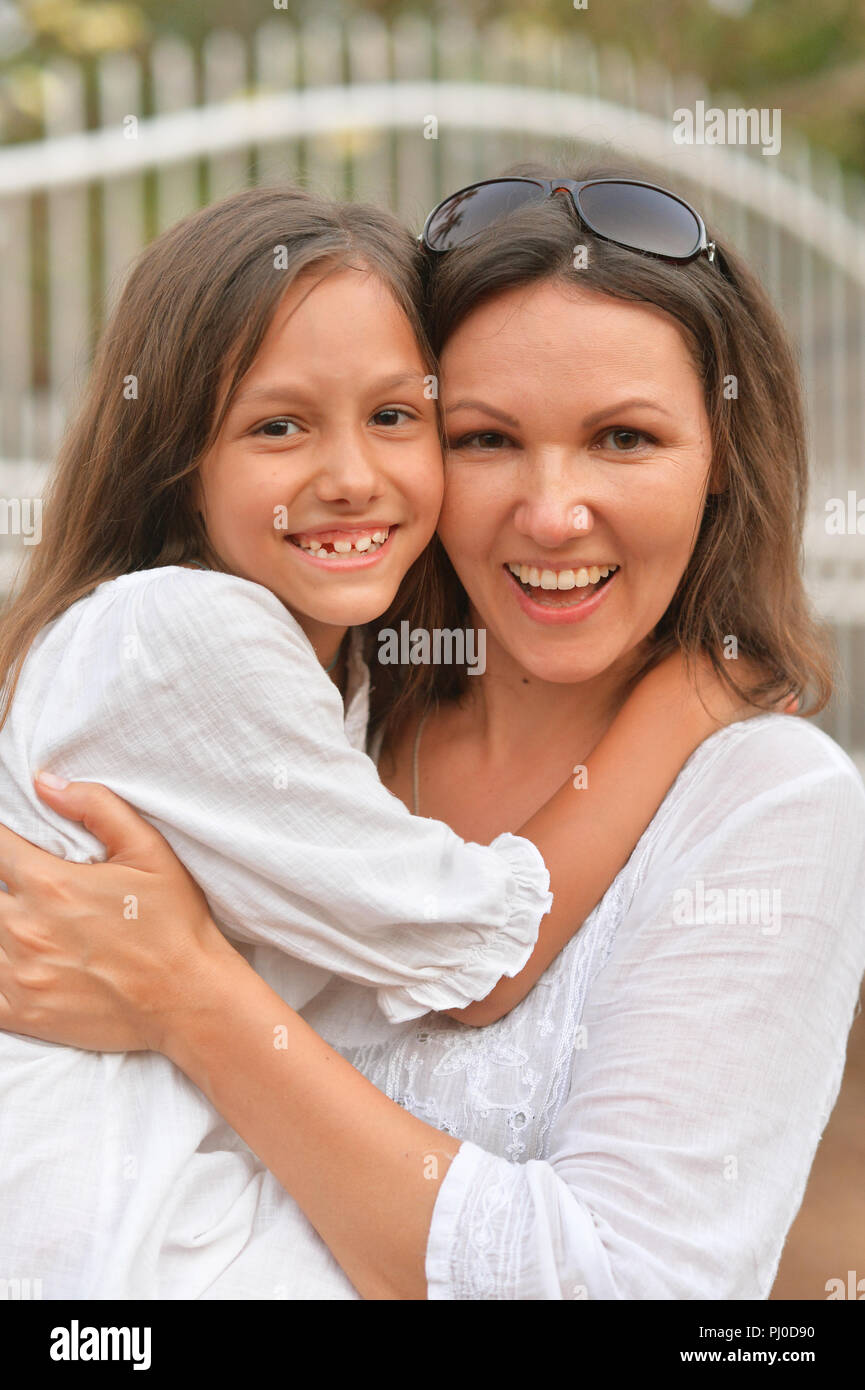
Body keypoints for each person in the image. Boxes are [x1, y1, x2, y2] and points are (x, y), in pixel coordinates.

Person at [1, 166, 860, 1299]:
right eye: (486, 438)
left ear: (720, 464)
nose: (551, 513)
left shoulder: (770, 799)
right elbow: (473, 957)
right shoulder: (318, 706)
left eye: (623, 437)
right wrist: (687, 694)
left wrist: (188, 997)